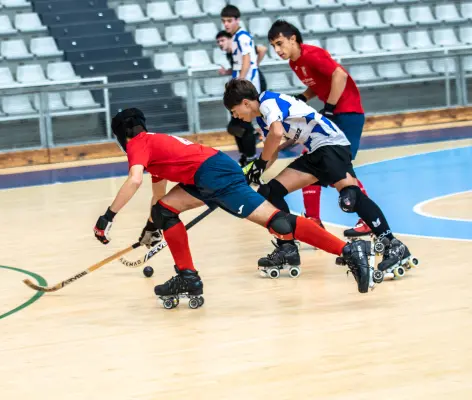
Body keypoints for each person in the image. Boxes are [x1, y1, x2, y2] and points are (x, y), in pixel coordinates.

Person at [93, 108, 376, 310]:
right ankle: (187, 277)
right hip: (206, 173)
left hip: (215, 175)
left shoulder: (138, 145)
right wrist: (151, 228)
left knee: (279, 223)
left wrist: (107, 218)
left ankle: (350, 251)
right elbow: (159, 199)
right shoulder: (154, 144)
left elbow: (134, 179)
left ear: (121, 135)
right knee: (166, 210)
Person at [222, 79, 415, 282]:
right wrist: (252, 173)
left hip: (332, 146)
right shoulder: (263, 119)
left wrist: (259, 164)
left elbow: (277, 135)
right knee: (271, 192)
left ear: (245, 103)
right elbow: (274, 150)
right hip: (316, 152)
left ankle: (394, 245)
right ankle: (287, 248)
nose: (235, 116)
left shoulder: (267, 102)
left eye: (234, 111)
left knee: (350, 198)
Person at [268, 20, 372, 237]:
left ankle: (369, 219)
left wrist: (330, 108)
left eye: (279, 43)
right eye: (274, 46)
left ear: (293, 39)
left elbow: (339, 75)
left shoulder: (312, 54)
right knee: (314, 160)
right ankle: (314, 221)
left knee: (340, 168)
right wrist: (304, 96)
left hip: (348, 113)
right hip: (336, 114)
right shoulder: (295, 63)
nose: (277, 50)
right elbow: (320, 82)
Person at [219, 5, 263, 167]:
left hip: (245, 87)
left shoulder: (242, 37)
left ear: (237, 20)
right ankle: (246, 155)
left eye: (229, 21)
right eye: (224, 21)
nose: (226, 24)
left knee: (240, 124)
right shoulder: (236, 37)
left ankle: (251, 159)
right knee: (237, 125)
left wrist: (241, 81)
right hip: (240, 83)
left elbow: (247, 60)